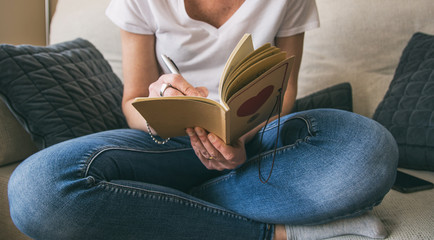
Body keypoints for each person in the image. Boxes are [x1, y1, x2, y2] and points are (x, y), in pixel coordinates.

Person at [8, 0, 398, 239]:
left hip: (256, 141)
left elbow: (284, 93)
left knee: (369, 148)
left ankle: (151, 207)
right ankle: (278, 232)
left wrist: (241, 140)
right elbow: (132, 103)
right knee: (37, 191)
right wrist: (159, 101)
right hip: (166, 143)